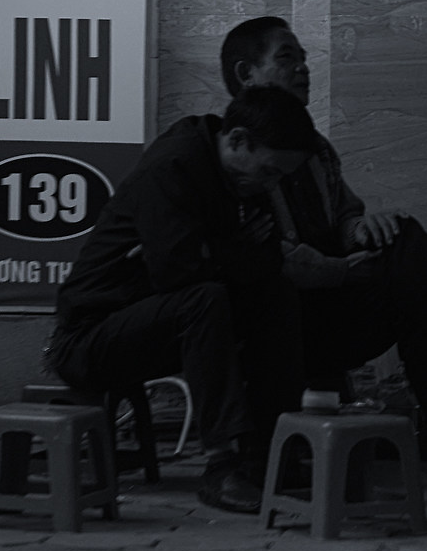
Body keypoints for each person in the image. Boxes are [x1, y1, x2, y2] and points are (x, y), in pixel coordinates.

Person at [216, 16, 427, 433]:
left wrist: (364, 230)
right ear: (247, 74)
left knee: (405, 250)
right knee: (417, 288)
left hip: (332, 304)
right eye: (286, 58)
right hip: (281, 320)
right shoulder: (239, 153)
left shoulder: (317, 150)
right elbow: (275, 259)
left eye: (304, 58)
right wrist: (343, 270)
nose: (303, 68)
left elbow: (343, 221)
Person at [45, 85, 320, 514]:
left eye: (280, 176)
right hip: (89, 338)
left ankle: (268, 453)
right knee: (204, 299)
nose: (273, 184)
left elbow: (264, 261)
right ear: (237, 140)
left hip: (161, 321)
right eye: (270, 173)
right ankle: (221, 465)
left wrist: (210, 252)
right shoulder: (173, 164)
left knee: (275, 295)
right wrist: (229, 250)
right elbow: (177, 273)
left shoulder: (246, 176)